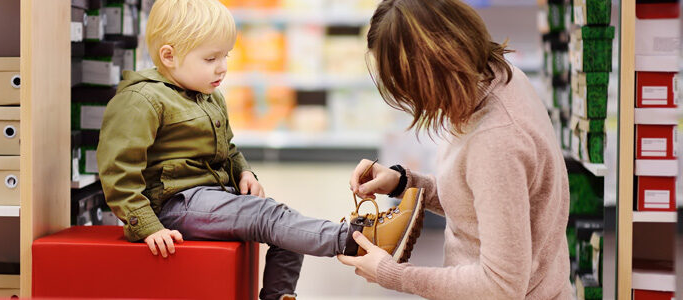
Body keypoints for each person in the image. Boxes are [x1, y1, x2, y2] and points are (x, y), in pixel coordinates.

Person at [96, 1, 427, 299]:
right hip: (171, 205)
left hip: (209, 196)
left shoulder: (209, 95)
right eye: (210, 58)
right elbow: (117, 171)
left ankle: (279, 295)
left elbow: (226, 148)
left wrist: (244, 172)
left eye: (225, 55)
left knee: (285, 227)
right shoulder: (142, 100)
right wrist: (147, 226)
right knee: (269, 217)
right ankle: (358, 238)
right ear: (169, 56)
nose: (222, 67)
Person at [337, 0, 572, 299]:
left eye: (407, 85)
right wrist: (404, 182)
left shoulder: (496, 139)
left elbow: (501, 286)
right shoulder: (495, 78)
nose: (411, 98)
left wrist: (392, 274)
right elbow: (481, 201)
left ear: (432, 69)